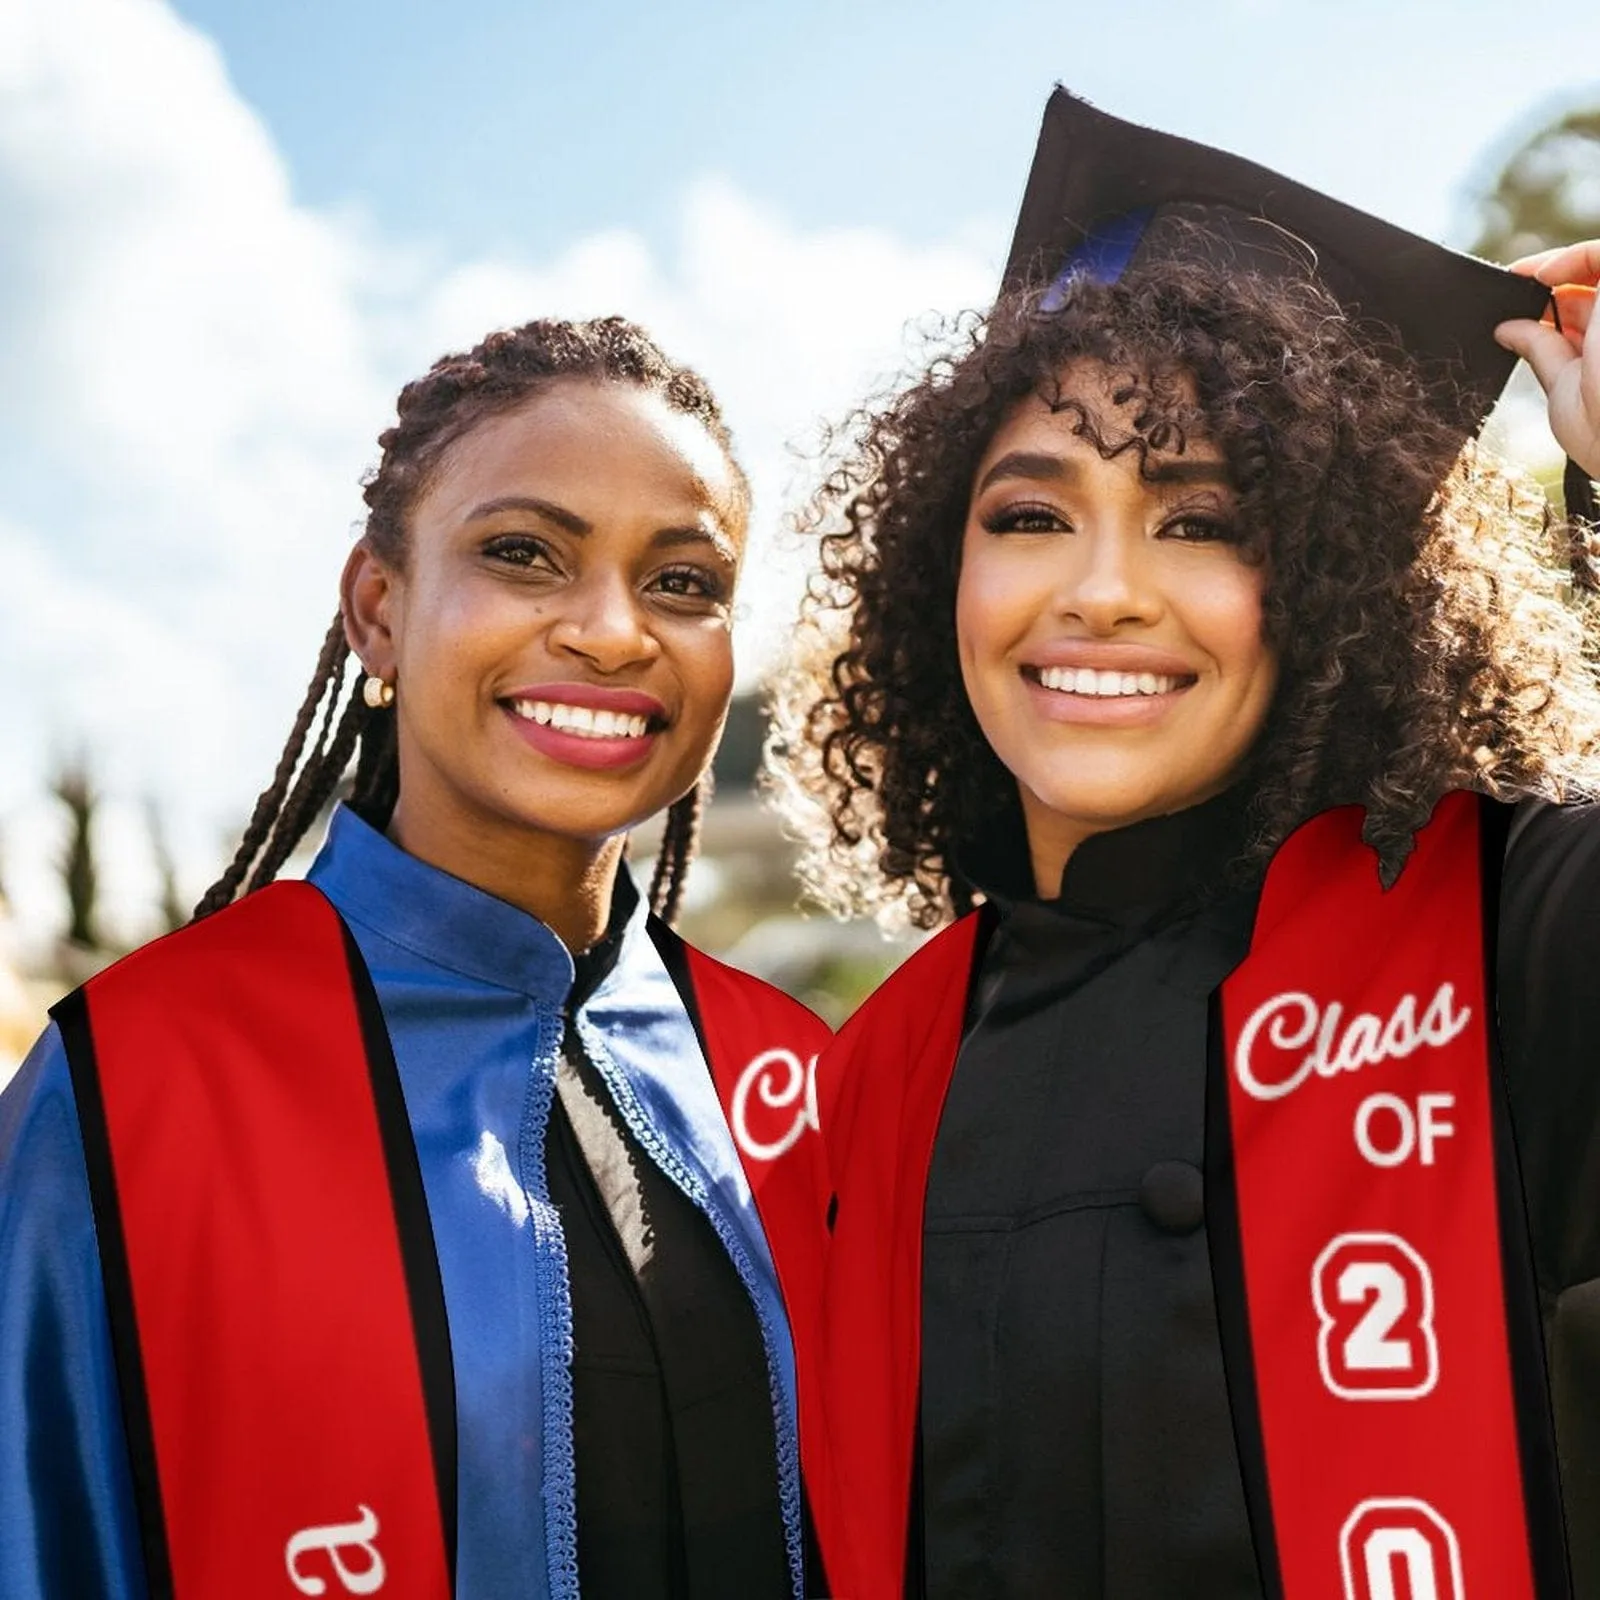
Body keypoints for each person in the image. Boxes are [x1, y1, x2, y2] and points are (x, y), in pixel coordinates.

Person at [772, 92, 1600, 1598]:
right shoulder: (874, 1080)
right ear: (936, 568)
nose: (1101, 591)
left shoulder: (1517, 937)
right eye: (1030, 514)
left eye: (1203, 521)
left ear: (1334, 595)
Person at [0, 316, 830, 1600]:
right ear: (378, 611)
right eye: (523, 554)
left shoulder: (789, 1080)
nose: (613, 632)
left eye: (683, 582)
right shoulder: (134, 1085)